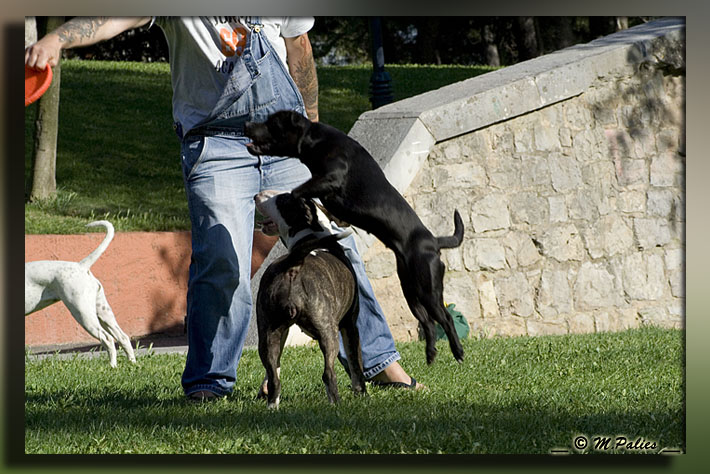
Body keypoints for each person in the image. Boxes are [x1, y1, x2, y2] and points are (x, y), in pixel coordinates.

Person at [25, 16, 424, 401]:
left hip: (285, 137)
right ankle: (211, 380)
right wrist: (56, 39)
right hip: (215, 146)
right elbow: (114, 16)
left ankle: (379, 362)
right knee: (223, 260)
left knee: (336, 245)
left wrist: (314, 140)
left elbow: (298, 49)